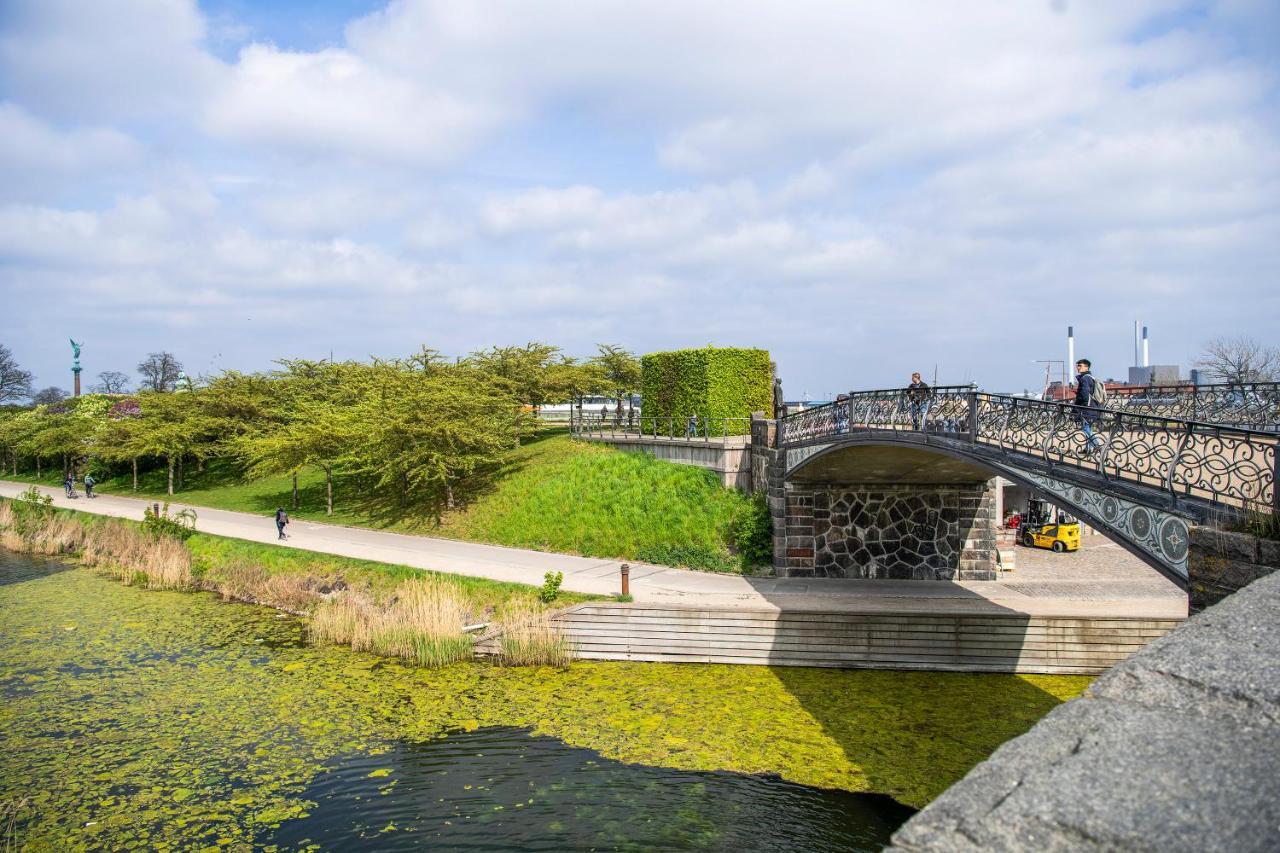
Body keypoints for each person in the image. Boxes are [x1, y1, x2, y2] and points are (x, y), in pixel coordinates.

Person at [1074, 359, 1104, 454]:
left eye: (1080, 365)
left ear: (1086, 367)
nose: (1078, 367)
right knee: (1088, 428)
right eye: (1077, 365)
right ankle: (1087, 449)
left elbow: (1084, 395)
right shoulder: (1090, 377)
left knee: (1086, 429)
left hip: (1087, 408)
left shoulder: (1085, 378)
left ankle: (1097, 446)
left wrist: (1078, 407)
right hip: (1093, 407)